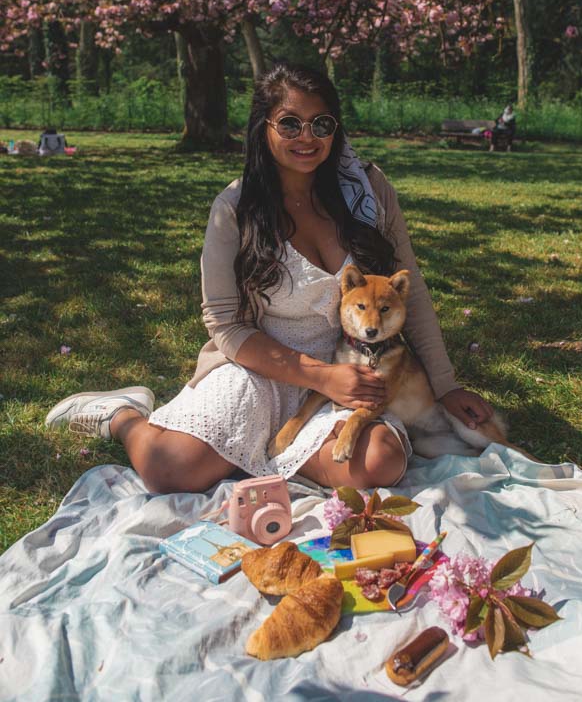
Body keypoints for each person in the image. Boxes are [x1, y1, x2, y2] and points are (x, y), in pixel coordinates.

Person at [46, 64, 493, 493]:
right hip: (261, 366)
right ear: (263, 126)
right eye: (290, 123)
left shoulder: (369, 192)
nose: (307, 137)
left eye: (321, 124)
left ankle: (266, 452)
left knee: (378, 462)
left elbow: (409, 293)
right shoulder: (235, 209)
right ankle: (123, 414)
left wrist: (446, 384)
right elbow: (224, 324)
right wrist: (319, 376)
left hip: (356, 369)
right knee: (168, 468)